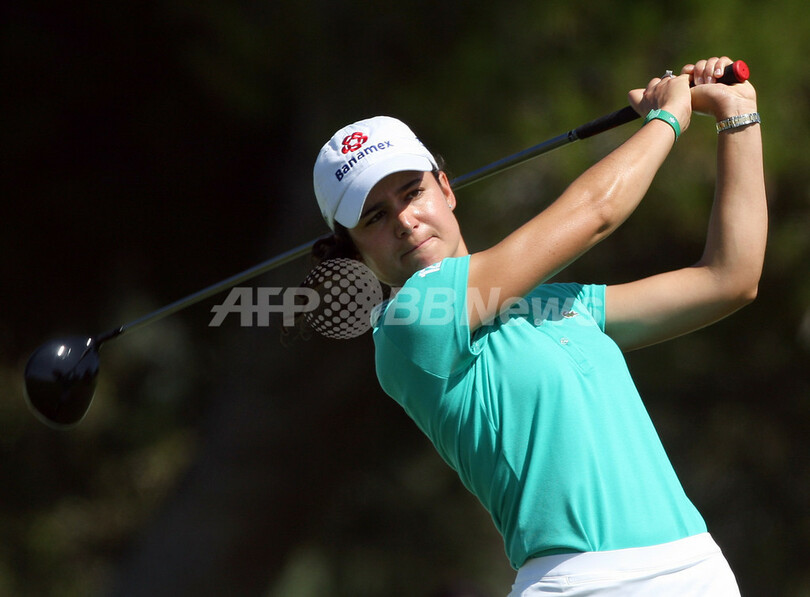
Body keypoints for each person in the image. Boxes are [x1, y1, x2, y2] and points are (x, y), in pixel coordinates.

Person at [310, 56, 765, 595]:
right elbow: (595, 213)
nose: (406, 221)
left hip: (697, 567)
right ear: (353, 253)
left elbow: (729, 279)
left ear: (446, 189)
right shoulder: (409, 323)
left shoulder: (554, 303)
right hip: (588, 586)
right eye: (375, 217)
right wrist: (668, 119)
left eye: (413, 192)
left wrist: (737, 116)